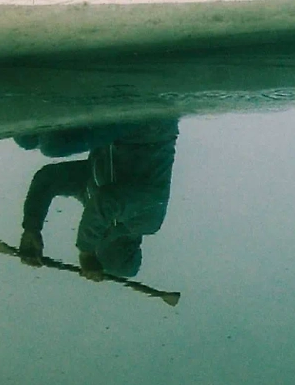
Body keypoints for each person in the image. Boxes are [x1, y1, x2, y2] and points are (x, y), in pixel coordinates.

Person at [14, 119, 179, 279]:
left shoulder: (90, 193)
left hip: (113, 130)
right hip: (148, 128)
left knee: (26, 138)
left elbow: (48, 179)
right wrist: (86, 251)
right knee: (52, 145)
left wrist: (32, 228)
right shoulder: (147, 221)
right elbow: (107, 201)